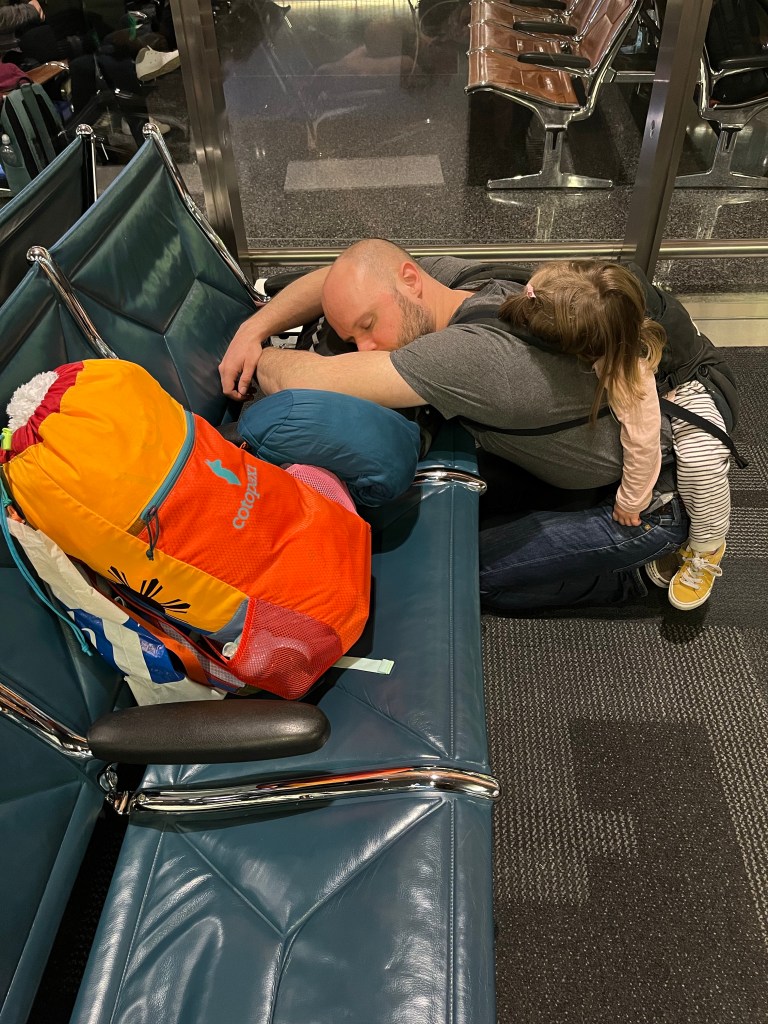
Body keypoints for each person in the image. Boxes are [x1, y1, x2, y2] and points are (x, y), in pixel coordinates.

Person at [218, 238, 691, 612]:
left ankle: (629, 577)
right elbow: (335, 277)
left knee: (457, 581)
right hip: (605, 452)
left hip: (642, 504)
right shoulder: (458, 279)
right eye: (352, 335)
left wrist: (261, 355)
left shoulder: (467, 360)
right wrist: (252, 328)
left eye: (368, 324)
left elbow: (306, 381)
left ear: (409, 279)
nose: (365, 347)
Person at [498, 260, 731, 611]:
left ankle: (707, 544)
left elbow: (643, 441)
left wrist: (631, 500)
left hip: (691, 387)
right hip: (649, 346)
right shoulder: (583, 285)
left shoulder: (626, 366)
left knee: (702, 461)